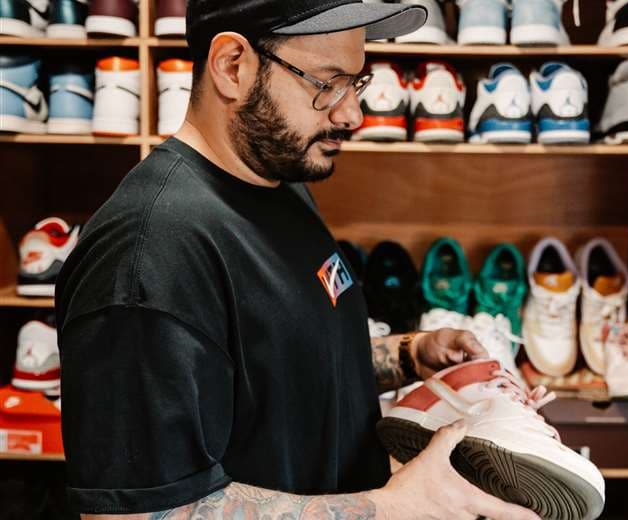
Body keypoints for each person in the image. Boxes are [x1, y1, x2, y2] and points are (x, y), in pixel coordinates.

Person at [55, 1, 539, 518]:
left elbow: (275, 362)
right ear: (232, 66)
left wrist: (409, 355)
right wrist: (395, 508)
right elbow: (137, 512)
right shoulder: (148, 254)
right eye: (327, 83)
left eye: (356, 83)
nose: (352, 114)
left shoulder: (274, 181)